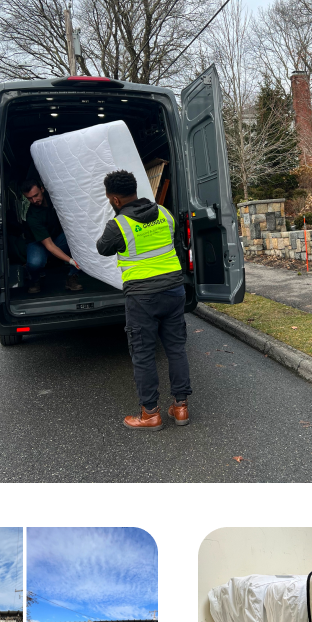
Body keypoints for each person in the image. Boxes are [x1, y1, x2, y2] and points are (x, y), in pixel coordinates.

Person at [96, 169, 192, 430]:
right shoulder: (165, 213)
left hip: (142, 297)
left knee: (143, 354)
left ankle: (150, 413)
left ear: (115, 199)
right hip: (174, 290)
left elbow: (102, 248)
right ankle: (180, 407)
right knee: (175, 349)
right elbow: (175, 241)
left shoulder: (119, 225)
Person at [21, 179, 83, 294]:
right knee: (35, 263)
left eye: (36, 195)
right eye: (29, 198)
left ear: (42, 189)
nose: (34, 200)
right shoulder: (32, 216)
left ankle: (72, 277)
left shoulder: (55, 199)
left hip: (57, 238)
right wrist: (71, 261)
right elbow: (49, 245)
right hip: (38, 243)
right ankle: (34, 279)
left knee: (79, 237)